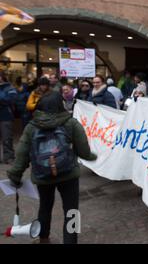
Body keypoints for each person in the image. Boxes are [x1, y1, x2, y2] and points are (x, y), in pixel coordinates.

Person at [6, 92, 96, 244]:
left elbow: (22, 153)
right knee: (72, 210)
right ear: (61, 105)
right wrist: (92, 157)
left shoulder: (31, 127)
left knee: (45, 208)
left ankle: (44, 239)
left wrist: (15, 174)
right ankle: (70, 241)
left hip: (43, 176)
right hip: (69, 175)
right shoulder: (71, 123)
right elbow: (83, 150)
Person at [0, 71, 18, 164]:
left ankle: (9, 157)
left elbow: (12, 99)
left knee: (7, 138)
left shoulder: (9, 87)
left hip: (6, 116)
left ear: (1, 77)